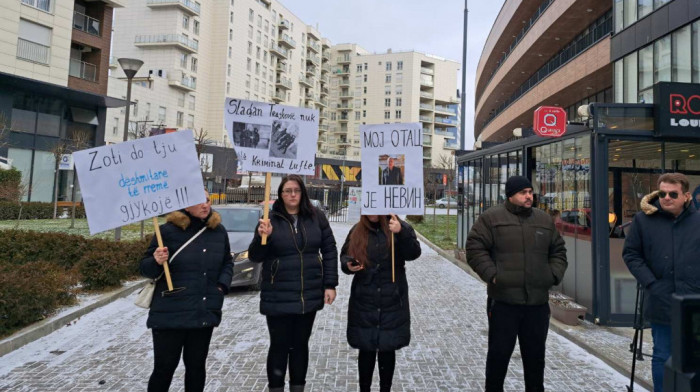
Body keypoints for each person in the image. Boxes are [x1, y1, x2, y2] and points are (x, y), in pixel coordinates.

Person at [466, 175, 567, 392]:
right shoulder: (491, 218)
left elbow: (558, 251)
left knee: (535, 358)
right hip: (503, 302)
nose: (529, 196)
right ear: (510, 195)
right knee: (498, 356)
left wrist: (552, 275)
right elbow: (475, 248)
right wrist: (494, 275)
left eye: (530, 192)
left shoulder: (543, 220)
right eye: (523, 192)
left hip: (537, 305)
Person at [248, 174, 339, 392]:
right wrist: (265, 237)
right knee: (279, 347)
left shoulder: (316, 217)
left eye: (296, 190)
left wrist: (330, 284)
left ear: (302, 193)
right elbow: (255, 256)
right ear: (280, 194)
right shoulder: (270, 218)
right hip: (277, 294)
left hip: (308, 293)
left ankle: (298, 387)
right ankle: (276, 387)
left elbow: (329, 250)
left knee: (300, 346)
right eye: (287, 190)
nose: (292, 195)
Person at [140, 191, 234, 392]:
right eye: (198, 201)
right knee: (164, 368)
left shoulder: (218, 231)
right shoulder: (166, 231)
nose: (205, 205)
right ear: (185, 204)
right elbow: (145, 268)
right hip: (170, 313)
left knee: (196, 368)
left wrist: (221, 286)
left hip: (203, 310)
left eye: (207, 200)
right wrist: (156, 261)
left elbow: (227, 261)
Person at [623, 173, 700, 392]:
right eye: (662, 193)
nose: (666, 197)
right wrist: (651, 284)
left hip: (694, 302)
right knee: (662, 355)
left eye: (672, 194)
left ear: (685, 196)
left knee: (694, 358)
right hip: (661, 299)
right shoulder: (644, 220)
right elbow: (631, 254)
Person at [340, 214, 421, 392]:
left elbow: (413, 253)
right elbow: (345, 256)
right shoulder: (357, 230)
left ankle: (386, 388)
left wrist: (401, 231)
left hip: (391, 299)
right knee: (366, 349)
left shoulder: (397, 227)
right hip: (365, 301)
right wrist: (348, 265)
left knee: (387, 348)